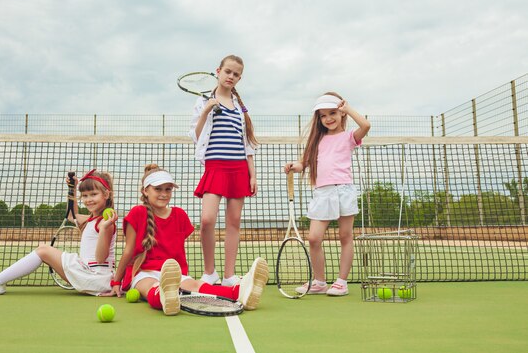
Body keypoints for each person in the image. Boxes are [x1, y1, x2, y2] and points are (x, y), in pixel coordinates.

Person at [109, 164, 268, 316]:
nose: (164, 194)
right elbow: (129, 250)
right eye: (158, 189)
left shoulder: (179, 215)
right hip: (143, 272)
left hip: (173, 273)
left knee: (196, 285)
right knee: (152, 286)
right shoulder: (137, 213)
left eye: (168, 189)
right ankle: (165, 297)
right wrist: (116, 282)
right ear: (145, 191)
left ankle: (240, 292)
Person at [0, 169, 118, 296]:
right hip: (90, 275)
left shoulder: (105, 224)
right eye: (84, 195)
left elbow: (100, 258)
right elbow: (71, 215)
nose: (88, 200)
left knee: (43, 250)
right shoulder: (91, 220)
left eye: (93, 194)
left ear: (106, 195)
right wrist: (72, 188)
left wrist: (105, 229)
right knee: (43, 250)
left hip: (96, 279)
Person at [284, 92, 370, 296]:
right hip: (322, 193)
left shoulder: (349, 137)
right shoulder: (317, 140)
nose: (328, 118)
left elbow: (365, 126)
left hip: (344, 190)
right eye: (323, 115)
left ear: (341, 114)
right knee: (314, 238)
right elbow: (304, 163)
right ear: (319, 119)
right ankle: (320, 282)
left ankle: (341, 282)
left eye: (333, 113)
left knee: (345, 236)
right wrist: (294, 166)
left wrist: (348, 108)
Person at [189, 55, 258, 286]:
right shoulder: (203, 101)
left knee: (234, 221)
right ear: (218, 71)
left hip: (238, 168)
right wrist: (207, 110)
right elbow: (196, 136)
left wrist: (252, 174)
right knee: (207, 220)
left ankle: (229, 276)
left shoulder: (240, 107)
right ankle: (210, 273)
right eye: (228, 71)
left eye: (236, 74)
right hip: (215, 166)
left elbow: (246, 144)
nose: (231, 76)